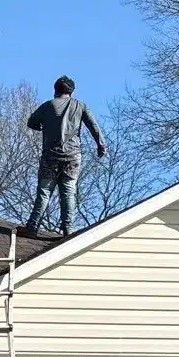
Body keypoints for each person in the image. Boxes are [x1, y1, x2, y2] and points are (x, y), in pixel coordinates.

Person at [23, 75, 105, 236]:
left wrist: (41, 126)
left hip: (50, 155)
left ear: (55, 90)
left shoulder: (47, 106)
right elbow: (93, 125)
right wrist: (100, 144)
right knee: (68, 191)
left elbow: (31, 122)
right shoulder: (79, 106)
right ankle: (68, 229)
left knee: (45, 191)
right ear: (71, 92)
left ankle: (32, 227)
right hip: (72, 156)